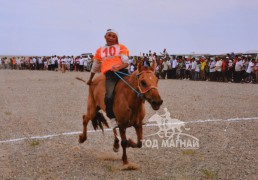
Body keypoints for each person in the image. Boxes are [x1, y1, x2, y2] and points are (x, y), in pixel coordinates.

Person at [87, 29, 129, 119]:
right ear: (105, 37)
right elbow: (95, 66)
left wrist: (118, 68)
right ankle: (112, 118)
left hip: (123, 72)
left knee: (138, 89)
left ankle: (138, 115)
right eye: (109, 35)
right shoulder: (100, 50)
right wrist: (90, 79)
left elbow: (126, 62)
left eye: (113, 36)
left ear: (116, 39)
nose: (111, 38)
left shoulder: (121, 47)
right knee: (109, 96)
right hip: (110, 75)